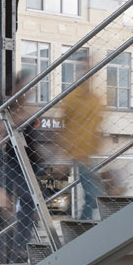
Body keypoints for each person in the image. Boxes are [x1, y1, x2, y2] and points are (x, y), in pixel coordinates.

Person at [0, 70, 42, 264]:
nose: (29, 91)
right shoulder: (9, 110)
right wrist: (5, 136)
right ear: (16, 88)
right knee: (21, 203)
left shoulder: (28, 110)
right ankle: (16, 249)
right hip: (14, 163)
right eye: (26, 87)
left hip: (31, 164)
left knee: (26, 206)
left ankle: (18, 248)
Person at [57, 74, 105, 220]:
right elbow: (64, 125)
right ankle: (83, 227)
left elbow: (97, 126)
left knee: (93, 196)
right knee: (95, 195)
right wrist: (65, 152)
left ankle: (83, 226)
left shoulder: (95, 100)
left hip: (90, 153)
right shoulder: (72, 98)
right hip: (78, 152)